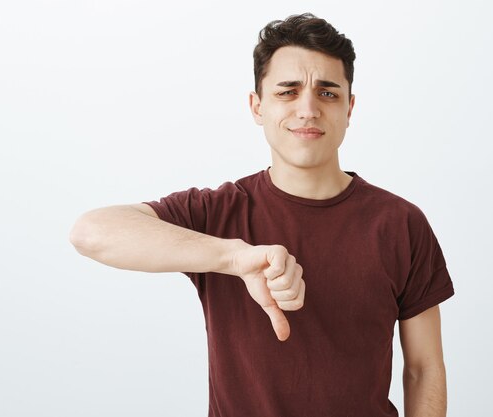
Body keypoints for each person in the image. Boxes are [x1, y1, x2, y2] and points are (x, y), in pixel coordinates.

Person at [70, 12, 454, 417]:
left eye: (327, 93)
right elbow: (90, 233)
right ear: (257, 106)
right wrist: (233, 258)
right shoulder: (216, 214)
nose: (307, 109)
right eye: (288, 92)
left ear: (349, 107)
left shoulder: (400, 223)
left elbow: (424, 369)